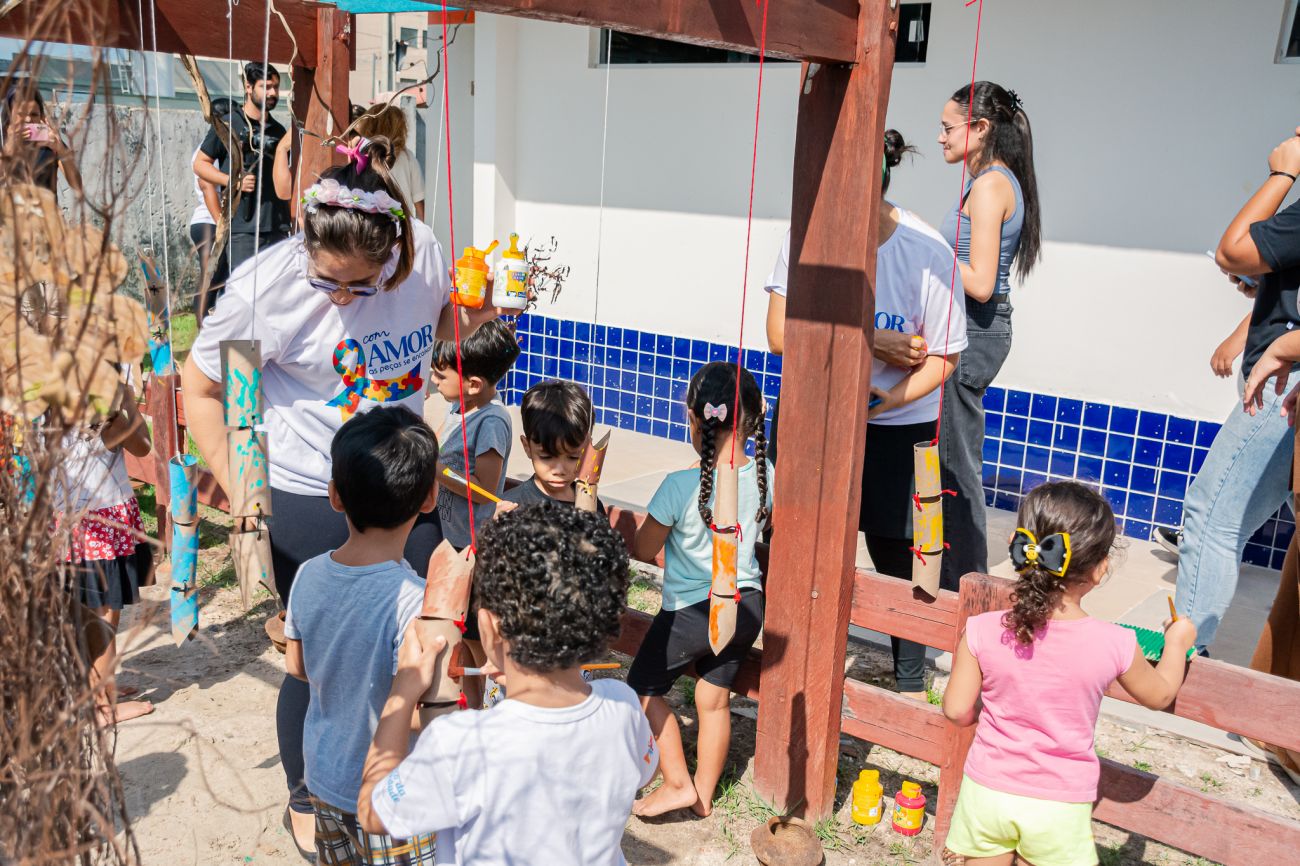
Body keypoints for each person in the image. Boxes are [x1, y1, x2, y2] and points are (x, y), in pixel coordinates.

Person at [182, 134, 497, 855]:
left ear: (396, 250)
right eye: (330, 283)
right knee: (322, 654)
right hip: (311, 491)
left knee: (421, 638)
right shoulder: (266, 288)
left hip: (405, 483)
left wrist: (477, 316)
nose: (348, 297)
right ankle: (310, 790)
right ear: (306, 245)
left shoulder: (423, 251)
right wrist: (246, 494)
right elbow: (206, 391)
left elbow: (441, 329)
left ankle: (407, 777)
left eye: (366, 282)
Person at [357, 504, 656, 863]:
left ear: (489, 627)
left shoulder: (463, 743)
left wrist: (401, 693)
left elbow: (373, 813)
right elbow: (645, 770)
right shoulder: (623, 704)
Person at [941, 481, 1196, 866]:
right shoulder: (1114, 643)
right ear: (1100, 569)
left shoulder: (982, 629)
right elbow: (1159, 695)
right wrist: (1176, 642)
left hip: (987, 790)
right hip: (1057, 803)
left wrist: (990, 716)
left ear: (1018, 545)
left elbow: (957, 709)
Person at [284, 406, 439, 864]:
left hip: (324, 777)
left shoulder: (309, 574)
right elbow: (420, 713)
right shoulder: (415, 600)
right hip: (392, 792)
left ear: (335, 495)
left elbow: (296, 666)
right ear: (430, 498)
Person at [1172, 128, 1300, 655]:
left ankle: (1186, 658)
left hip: (1285, 384)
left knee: (1210, 518)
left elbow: (1234, 250)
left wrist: (1283, 172)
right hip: (1282, 376)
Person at [628, 361, 772, 818]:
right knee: (713, 701)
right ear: (754, 420)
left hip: (693, 612)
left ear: (692, 418)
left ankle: (677, 783)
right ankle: (704, 796)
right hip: (746, 607)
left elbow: (643, 548)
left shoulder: (680, 486)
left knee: (642, 691)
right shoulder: (767, 475)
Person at [858, 130, 968, 701]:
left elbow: (945, 356)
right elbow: (782, 333)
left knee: (901, 556)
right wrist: (874, 339)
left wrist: (890, 398)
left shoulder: (926, 252)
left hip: (901, 428)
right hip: (824, 421)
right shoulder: (805, 237)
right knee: (793, 541)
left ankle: (907, 680)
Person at [936, 81, 1041, 589]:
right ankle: (948, 575)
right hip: (977, 329)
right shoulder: (995, 181)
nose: (940, 137)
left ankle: (964, 587)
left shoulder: (991, 186)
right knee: (948, 461)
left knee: (957, 466)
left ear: (979, 128)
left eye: (947, 127)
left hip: (975, 332)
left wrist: (926, 253)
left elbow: (978, 282)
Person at [62, 374, 154, 726]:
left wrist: (125, 400)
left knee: (95, 609)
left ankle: (98, 686)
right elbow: (133, 443)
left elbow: (140, 445)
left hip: (88, 516)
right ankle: (101, 705)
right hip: (96, 520)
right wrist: (126, 402)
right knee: (103, 612)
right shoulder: (91, 410)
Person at [192, 62, 291, 317]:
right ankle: (233, 345)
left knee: (273, 299)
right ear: (248, 87)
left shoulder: (279, 131)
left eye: (276, 87)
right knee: (243, 300)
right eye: (265, 86)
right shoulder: (228, 124)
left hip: (277, 227)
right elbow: (200, 165)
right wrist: (232, 181)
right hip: (242, 229)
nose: (273, 93)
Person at [1152, 309, 1253, 555]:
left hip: (1271, 398)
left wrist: (1239, 341)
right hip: (1272, 395)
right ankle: (1197, 538)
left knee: (1208, 501)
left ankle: (1197, 540)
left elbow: (1280, 302)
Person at [430, 319, 518, 551]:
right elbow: (437, 445)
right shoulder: (461, 404)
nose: (434, 380)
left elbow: (483, 491)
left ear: (474, 385)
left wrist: (434, 469)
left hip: (466, 546)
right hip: (442, 533)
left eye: (441, 375)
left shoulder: (491, 422)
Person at [500, 379, 605, 512]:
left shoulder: (591, 503)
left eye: (573, 457)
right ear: (527, 447)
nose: (559, 470)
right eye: (546, 457)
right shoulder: (512, 507)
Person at [0, 82, 82, 194]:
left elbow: (77, 185)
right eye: (21, 114)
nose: (28, 119)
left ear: (42, 117)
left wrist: (60, 149)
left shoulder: (49, 143)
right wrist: (9, 147)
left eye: (34, 114)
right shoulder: (2, 141)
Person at [354, 104, 425, 222]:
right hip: (402, 226)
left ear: (370, 126)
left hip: (372, 225)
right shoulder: (408, 157)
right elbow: (419, 202)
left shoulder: (363, 156)